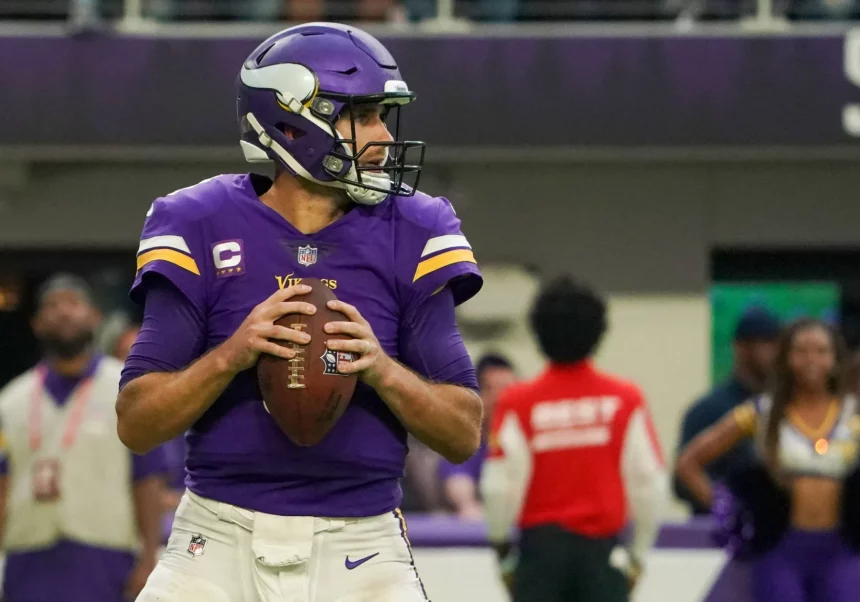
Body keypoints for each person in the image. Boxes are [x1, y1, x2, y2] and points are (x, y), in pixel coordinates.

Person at [116, 23, 483, 602]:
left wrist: (381, 369)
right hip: (215, 538)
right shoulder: (197, 221)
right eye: (362, 115)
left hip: (361, 544)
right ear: (293, 121)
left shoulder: (416, 226)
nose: (383, 136)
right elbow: (136, 424)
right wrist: (231, 355)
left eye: (383, 116)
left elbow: (463, 432)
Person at [480, 276, 668, 602]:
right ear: (598, 330)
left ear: (538, 332)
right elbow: (649, 483)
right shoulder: (625, 399)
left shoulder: (518, 403)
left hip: (539, 561)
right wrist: (637, 557)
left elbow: (498, 487)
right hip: (603, 560)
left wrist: (501, 550)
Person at [0, 274, 166, 602]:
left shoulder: (126, 389)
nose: (63, 312)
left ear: (95, 317)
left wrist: (149, 556)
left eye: (73, 303)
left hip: (105, 555)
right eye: (52, 305)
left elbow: (147, 478)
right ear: (36, 323)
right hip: (27, 557)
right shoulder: (10, 400)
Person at [676, 318, 860, 602]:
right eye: (801, 351)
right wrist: (725, 509)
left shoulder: (853, 414)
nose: (811, 360)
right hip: (780, 550)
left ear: (836, 359)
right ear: (785, 357)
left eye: (821, 351)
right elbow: (689, 462)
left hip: (841, 550)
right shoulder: (762, 411)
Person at [674, 307, 780, 514]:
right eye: (765, 343)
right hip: (717, 533)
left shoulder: (785, 409)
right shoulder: (708, 410)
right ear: (741, 347)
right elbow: (681, 479)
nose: (774, 353)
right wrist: (727, 508)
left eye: (776, 344)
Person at [439, 353, 516, 519]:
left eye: (508, 389)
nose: (499, 398)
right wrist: (467, 505)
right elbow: (459, 484)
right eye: (490, 390)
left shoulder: (526, 441)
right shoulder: (464, 439)